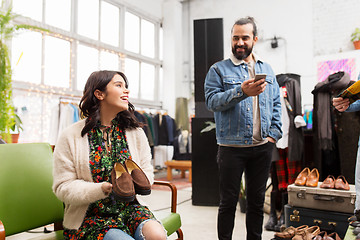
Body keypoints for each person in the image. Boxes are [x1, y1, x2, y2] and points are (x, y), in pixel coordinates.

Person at [52, 70, 167, 240]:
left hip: (130, 209)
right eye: (119, 85)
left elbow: (147, 171)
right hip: (89, 217)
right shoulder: (70, 135)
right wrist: (100, 189)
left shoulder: (135, 133)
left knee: (157, 235)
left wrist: (140, 182)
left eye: (126, 86)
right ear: (99, 94)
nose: (126, 90)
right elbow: (63, 187)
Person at [204, 17, 282, 240]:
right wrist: (241, 92)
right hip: (231, 147)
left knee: (256, 203)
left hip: (262, 147)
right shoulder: (218, 70)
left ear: (254, 39)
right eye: (235, 37)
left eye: (245, 37)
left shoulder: (267, 69)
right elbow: (211, 102)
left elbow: (276, 103)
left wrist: (273, 135)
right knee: (228, 202)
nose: (239, 42)